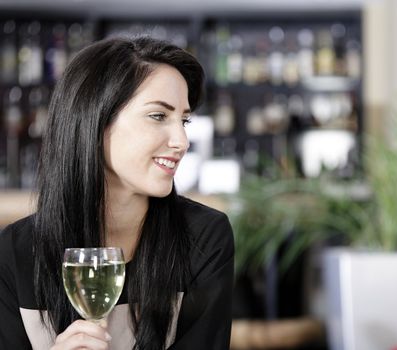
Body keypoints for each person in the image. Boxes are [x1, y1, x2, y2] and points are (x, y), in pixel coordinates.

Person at [0, 36, 234, 350]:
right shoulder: (14, 253)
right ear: (94, 122)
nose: (182, 140)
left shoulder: (203, 238)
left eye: (184, 120)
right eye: (158, 116)